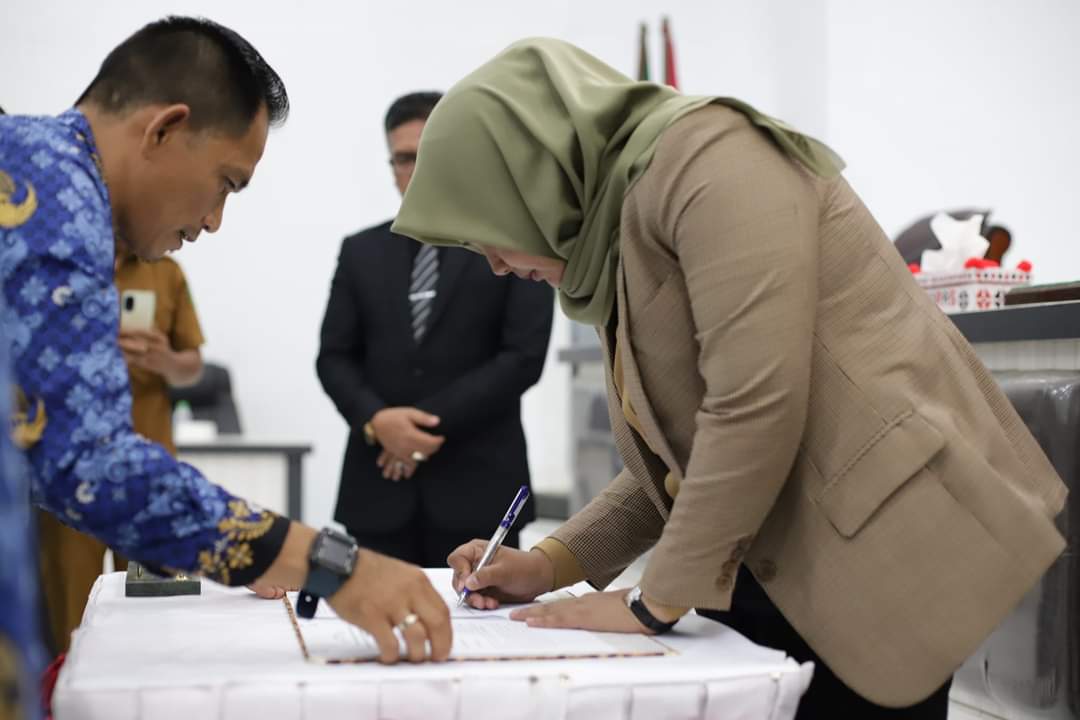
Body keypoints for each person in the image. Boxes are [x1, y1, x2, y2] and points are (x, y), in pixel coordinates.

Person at [392, 39, 1067, 716]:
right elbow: (686, 450)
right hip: (776, 556)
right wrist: (550, 563)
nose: (496, 266)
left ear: (531, 172)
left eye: (487, 231)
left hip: (877, 558)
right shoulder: (615, 231)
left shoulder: (712, 159)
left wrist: (653, 601)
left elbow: (753, 406)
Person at [0, 16, 449, 666]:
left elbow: (39, 439)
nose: (213, 221)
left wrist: (239, 551)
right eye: (226, 184)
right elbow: (86, 463)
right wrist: (330, 564)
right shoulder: (58, 193)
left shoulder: (33, 165)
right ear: (164, 129)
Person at [317, 92, 553, 567]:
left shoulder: (514, 244)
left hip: (480, 487)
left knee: (483, 614)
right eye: (404, 158)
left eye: (427, 154)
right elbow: (334, 357)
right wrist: (378, 422)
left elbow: (522, 358)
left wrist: (413, 430)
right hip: (378, 493)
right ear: (391, 167)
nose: (415, 169)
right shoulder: (360, 251)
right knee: (372, 617)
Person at [37, 252, 206, 654]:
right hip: (72, 465)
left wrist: (165, 361)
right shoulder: (56, 264)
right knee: (69, 609)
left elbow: (193, 367)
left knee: (154, 608)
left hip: (148, 462)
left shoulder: (165, 272)